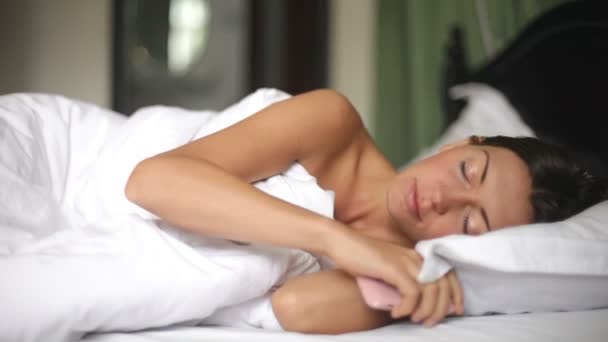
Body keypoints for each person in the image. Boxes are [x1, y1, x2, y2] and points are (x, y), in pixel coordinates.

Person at [125, 89, 608, 334]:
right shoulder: (332, 122)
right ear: (462, 143)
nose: (440, 199)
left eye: (468, 222)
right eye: (466, 171)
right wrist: (336, 239)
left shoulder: (405, 269)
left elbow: (294, 308)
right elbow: (150, 180)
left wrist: (419, 281)